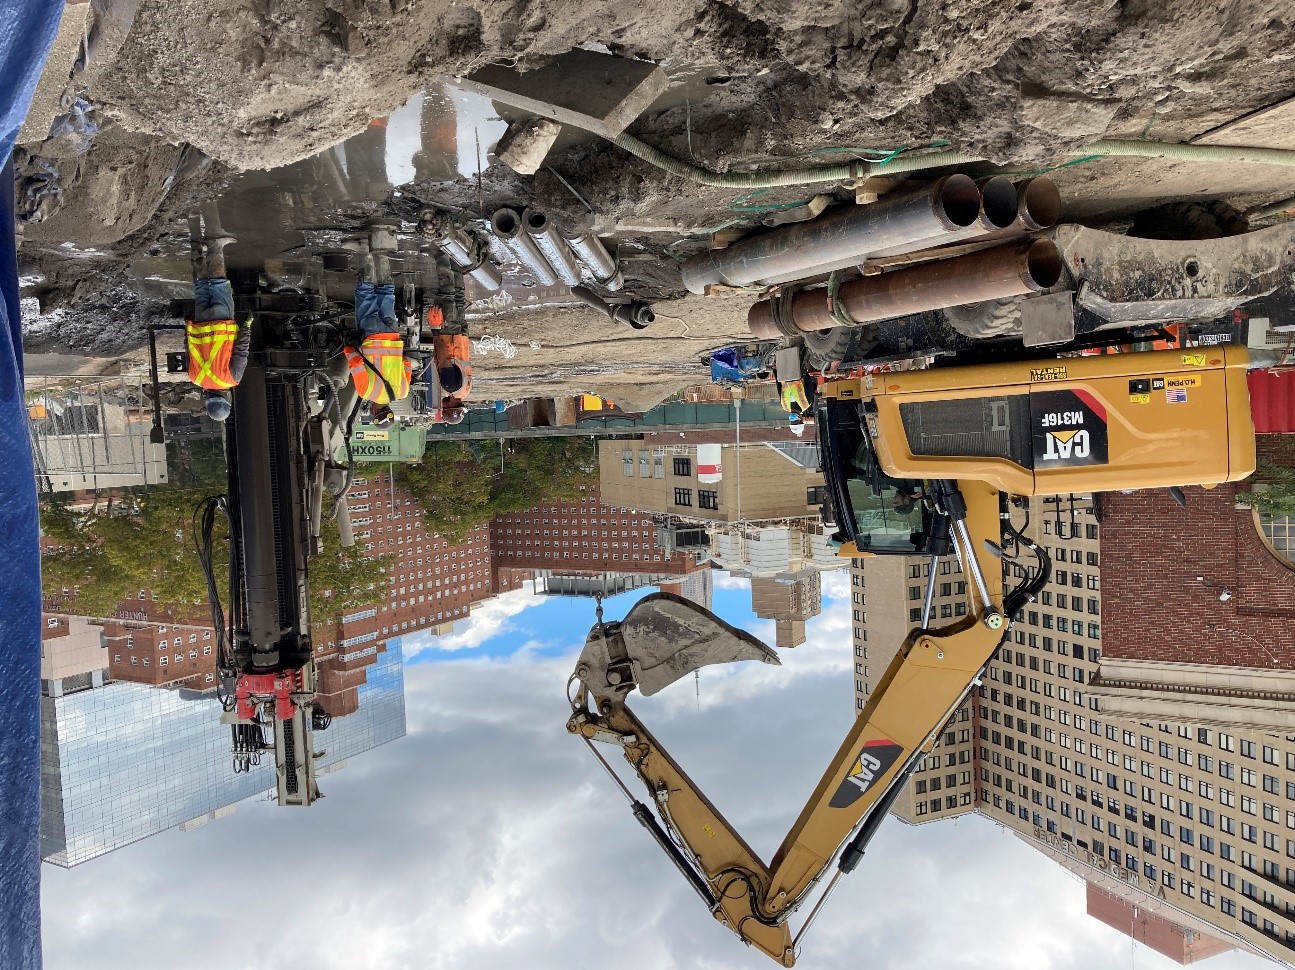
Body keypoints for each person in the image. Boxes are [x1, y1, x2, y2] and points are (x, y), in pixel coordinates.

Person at [343, 240, 413, 415]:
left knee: (386, 293)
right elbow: (356, 363)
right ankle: (364, 251)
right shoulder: (366, 392)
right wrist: (348, 348)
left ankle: (381, 253)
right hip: (372, 336)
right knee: (366, 294)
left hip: (393, 335)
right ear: (374, 411)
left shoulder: (402, 392)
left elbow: (406, 363)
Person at [186, 233, 249, 422]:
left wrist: (247, 326)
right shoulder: (194, 378)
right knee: (202, 287)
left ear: (226, 398)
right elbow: (188, 348)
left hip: (222, 322)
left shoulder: (232, 378)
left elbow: (241, 351)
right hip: (199, 322)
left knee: (219, 284)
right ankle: (196, 249)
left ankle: (215, 247)